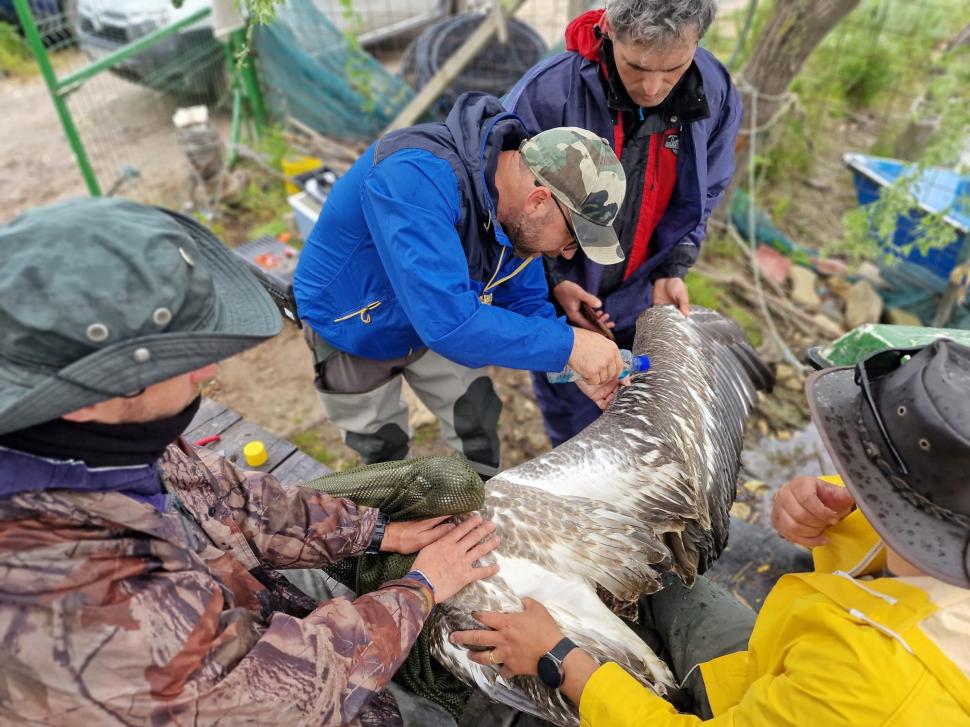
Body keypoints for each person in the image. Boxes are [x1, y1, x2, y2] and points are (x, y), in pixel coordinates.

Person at [0, 198, 502, 726]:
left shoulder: (96, 437)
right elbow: (280, 699)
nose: (208, 370)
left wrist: (377, 531)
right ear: (90, 397)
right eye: (182, 358)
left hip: (229, 602)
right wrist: (417, 591)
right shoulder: (70, 604)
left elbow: (221, 495)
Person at [452, 340, 970, 725]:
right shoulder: (943, 552)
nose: (845, 466)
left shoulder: (878, 683)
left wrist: (562, 660)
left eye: (862, 465)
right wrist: (845, 516)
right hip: (772, 668)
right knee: (666, 588)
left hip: (795, 695)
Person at [292, 92, 627, 478]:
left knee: (477, 416)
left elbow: (524, 298)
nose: (568, 255)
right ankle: (391, 523)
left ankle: (475, 504)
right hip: (352, 322)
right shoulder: (414, 178)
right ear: (539, 201)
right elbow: (450, 325)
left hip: (438, 317)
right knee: (381, 446)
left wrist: (572, 363)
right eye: (572, 240)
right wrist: (569, 344)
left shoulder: (512, 206)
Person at [504, 0, 742, 445]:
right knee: (576, 420)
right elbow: (510, 210)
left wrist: (674, 267)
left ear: (697, 43)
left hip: (641, 289)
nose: (653, 88)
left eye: (673, 69)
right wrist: (551, 279)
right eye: (636, 66)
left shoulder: (715, 92)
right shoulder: (548, 95)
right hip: (564, 298)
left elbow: (708, 188)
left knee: (644, 414)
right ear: (609, 29)